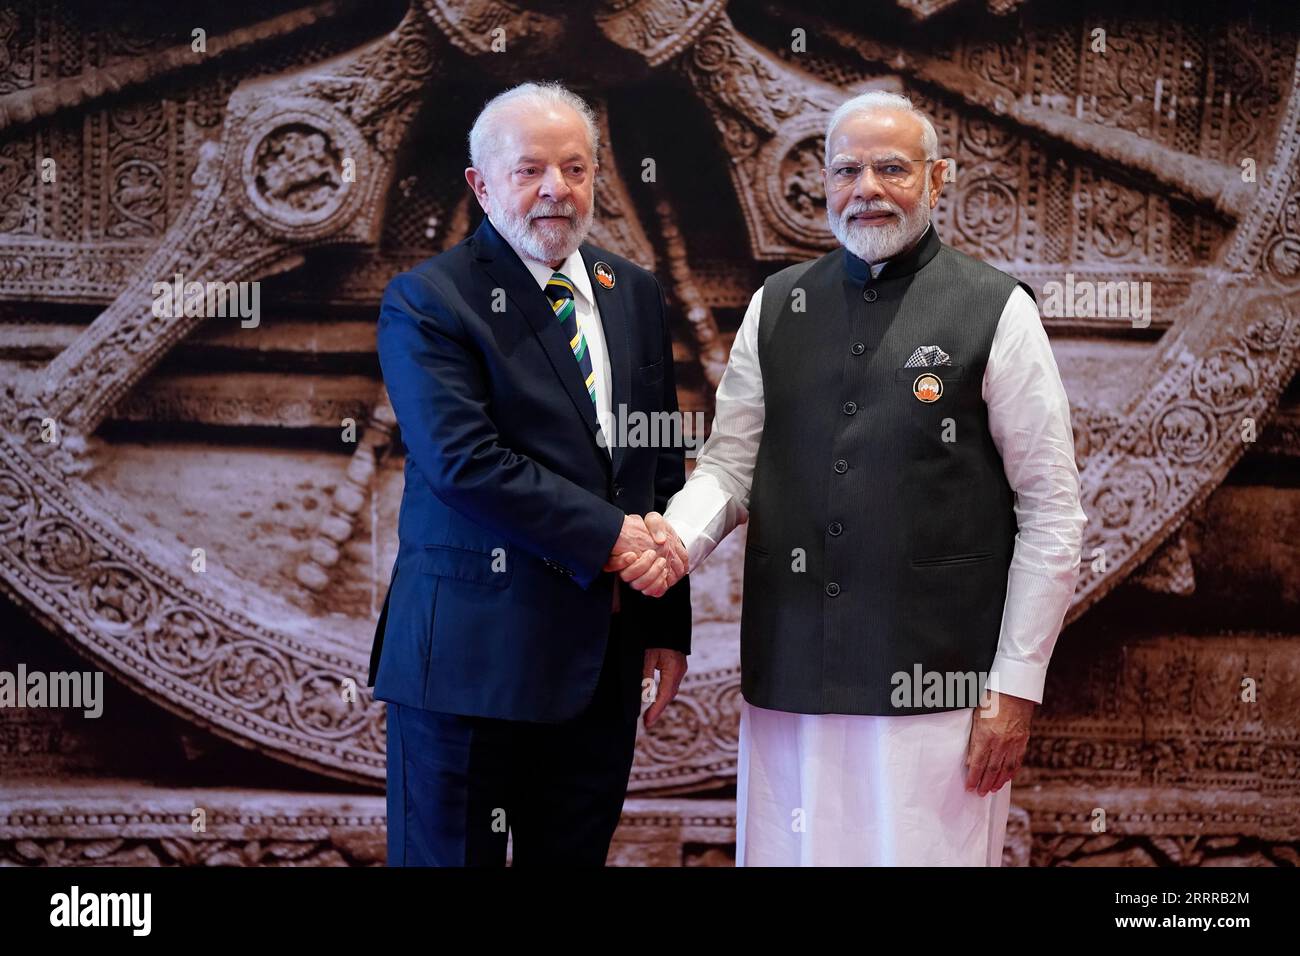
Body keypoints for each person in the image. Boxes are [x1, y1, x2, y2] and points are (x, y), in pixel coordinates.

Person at [627, 90, 1087, 866]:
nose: (866, 188)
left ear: (938, 181)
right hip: (790, 674)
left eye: (891, 168)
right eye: (846, 170)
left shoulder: (996, 310)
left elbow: (1051, 512)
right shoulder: (778, 306)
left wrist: (1015, 687)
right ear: (824, 185)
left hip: (937, 690)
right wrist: (670, 544)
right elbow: (731, 467)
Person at [369, 81, 691, 866]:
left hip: (602, 665)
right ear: (482, 186)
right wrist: (621, 543)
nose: (557, 189)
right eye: (530, 170)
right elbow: (465, 462)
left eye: (576, 169)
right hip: (469, 670)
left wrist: (664, 621)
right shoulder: (428, 300)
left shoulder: (634, 294)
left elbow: (657, 467)